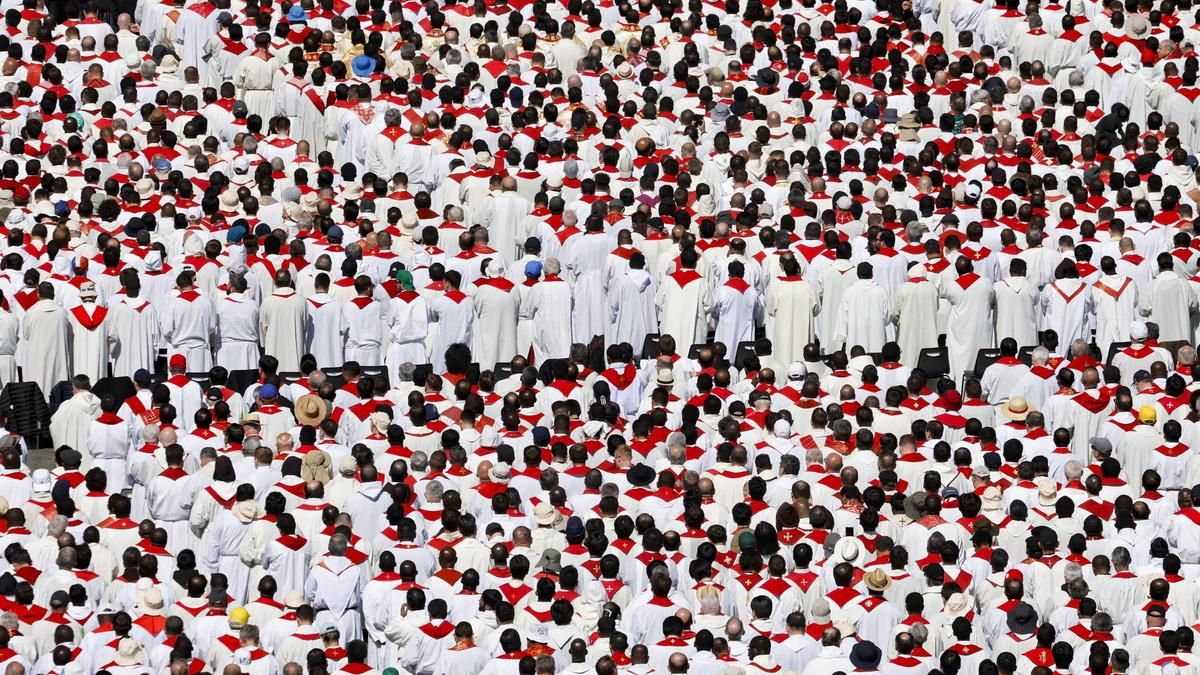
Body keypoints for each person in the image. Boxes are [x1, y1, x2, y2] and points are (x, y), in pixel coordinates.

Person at [21, 282, 70, 397]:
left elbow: (26, 335)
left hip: (37, 355)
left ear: (38, 294)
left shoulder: (31, 312)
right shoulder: (62, 312)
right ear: (53, 295)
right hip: (57, 355)